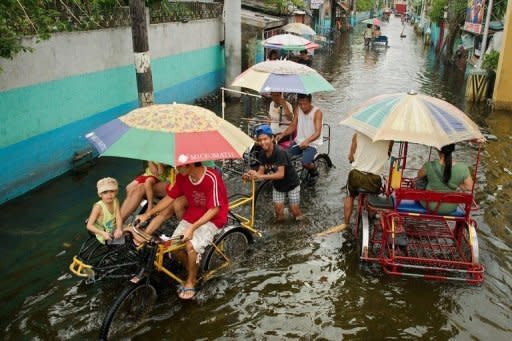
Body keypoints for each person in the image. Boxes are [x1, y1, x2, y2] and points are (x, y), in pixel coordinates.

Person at [137, 162, 228, 300]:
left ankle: (191, 280)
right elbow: (170, 197)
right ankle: (193, 269)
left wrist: (193, 227)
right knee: (172, 247)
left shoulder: (211, 177)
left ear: (191, 164)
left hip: (213, 219)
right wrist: (148, 214)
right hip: (192, 215)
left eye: (179, 166)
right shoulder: (182, 177)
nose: (176, 169)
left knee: (190, 246)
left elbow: (214, 209)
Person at [244, 125, 303, 221]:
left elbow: (281, 174)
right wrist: (251, 176)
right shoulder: (262, 153)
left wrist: (260, 175)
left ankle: (303, 225)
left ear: (272, 138)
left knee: (295, 211)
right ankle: (281, 231)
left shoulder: (280, 152)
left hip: (292, 184)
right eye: (260, 140)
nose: (262, 142)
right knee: (278, 212)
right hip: (278, 186)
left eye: (265, 139)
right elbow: (260, 173)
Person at [343, 133, 393, 230]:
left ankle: (346, 223)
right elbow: (387, 155)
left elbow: (350, 157)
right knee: (374, 196)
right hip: (374, 180)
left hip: (356, 176)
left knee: (350, 196)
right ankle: (371, 217)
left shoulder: (357, 134)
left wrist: (352, 159)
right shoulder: (389, 138)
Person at [276, 93, 323, 182]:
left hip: (312, 143)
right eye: (300, 104)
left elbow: (318, 132)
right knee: (285, 158)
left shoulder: (317, 112)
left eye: (305, 104)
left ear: (310, 102)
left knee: (305, 163)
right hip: (299, 141)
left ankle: (314, 171)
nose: (302, 106)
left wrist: (307, 141)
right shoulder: (298, 109)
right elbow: (293, 125)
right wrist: (282, 134)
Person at [417, 144, 473, 214]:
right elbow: (469, 188)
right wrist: (457, 184)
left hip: (429, 205)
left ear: (438, 150)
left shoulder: (429, 165)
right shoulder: (463, 168)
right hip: (451, 207)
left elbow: (419, 176)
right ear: (452, 150)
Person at [86, 177, 123, 244]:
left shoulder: (115, 201)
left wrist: (119, 228)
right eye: (105, 192)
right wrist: (103, 233)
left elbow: (118, 217)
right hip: (106, 235)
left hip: (114, 228)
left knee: (133, 229)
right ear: (100, 194)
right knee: (132, 234)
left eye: (112, 191)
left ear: (116, 192)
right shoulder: (98, 207)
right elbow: (89, 226)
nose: (109, 195)